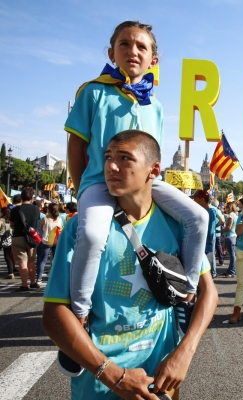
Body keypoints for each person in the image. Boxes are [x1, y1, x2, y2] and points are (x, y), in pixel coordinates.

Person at [42, 130, 218, 399]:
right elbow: (54, 314)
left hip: (160, 381)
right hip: (98, 387)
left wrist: (185, 351)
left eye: (125, 158)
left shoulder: (177, 225)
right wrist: (112, 375)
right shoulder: (81, 227)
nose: (111, 166)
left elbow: (209, 293)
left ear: (153, 170)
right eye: (108, 157)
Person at [64, 20, 209, 329]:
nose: (133, 51)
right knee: (90, 234)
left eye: (142, 46)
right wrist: (83, 190)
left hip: (147, 185)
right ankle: (80, 314)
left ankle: (186, 293)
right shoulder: (92, 92)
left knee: (199, 219)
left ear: (153, 60)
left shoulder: (155, 106)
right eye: (125, 44)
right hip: (99, 185)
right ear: (111, 52)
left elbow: (152, 157)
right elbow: (76, 147)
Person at [9, 187, 40, 291]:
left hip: (18, 237)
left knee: (22, 262)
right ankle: (33, 283)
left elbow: (12, 225)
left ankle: (24, 285)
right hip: (31, 238)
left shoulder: (15, 210)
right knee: (31, 262)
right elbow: (37, 221)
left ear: (21, 197)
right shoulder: (36, 209)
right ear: (31, 198)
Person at [192, 190, 224, 278]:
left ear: (202, 199)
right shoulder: (207, 211)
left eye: (195, 198)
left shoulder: (208, 212)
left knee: (202, 278)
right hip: (204, 248)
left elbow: (208, 233)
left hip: (204, 249)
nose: (194, 200)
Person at [35, 203, 63, 283]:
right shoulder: (59, 219)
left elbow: (41, 229)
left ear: (49, 209)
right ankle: (55, 278)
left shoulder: (45, 219)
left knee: (43, 260)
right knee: (55, 260)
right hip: (56, 241)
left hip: (46, 241)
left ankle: (39, 279)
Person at [220, 201, 238, 278]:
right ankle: (230, 270)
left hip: (230, 236)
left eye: (226, 207)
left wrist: (222, 230)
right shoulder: (235, 215)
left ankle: (232, 271)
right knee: (232, 255)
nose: (225, 208)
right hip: (233, 236)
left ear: (229, 207)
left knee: (232, 255)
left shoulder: (231, 215)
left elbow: (229, 227)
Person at [0, 207, 15, 279]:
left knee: (7, 256)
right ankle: (11, 273)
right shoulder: (10, 221)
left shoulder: (1, 220)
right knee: (8, 256)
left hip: (1, 239)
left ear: (2, 213)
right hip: (9, 240)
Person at [211, 199, 225, 267]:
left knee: (214, 248)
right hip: (217, 232)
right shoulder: (218, 211)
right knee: (218, 247)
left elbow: (222, 221)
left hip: (214, 231)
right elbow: (223, 221)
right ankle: (221, 261)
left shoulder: (213, 210)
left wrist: (215, 226)